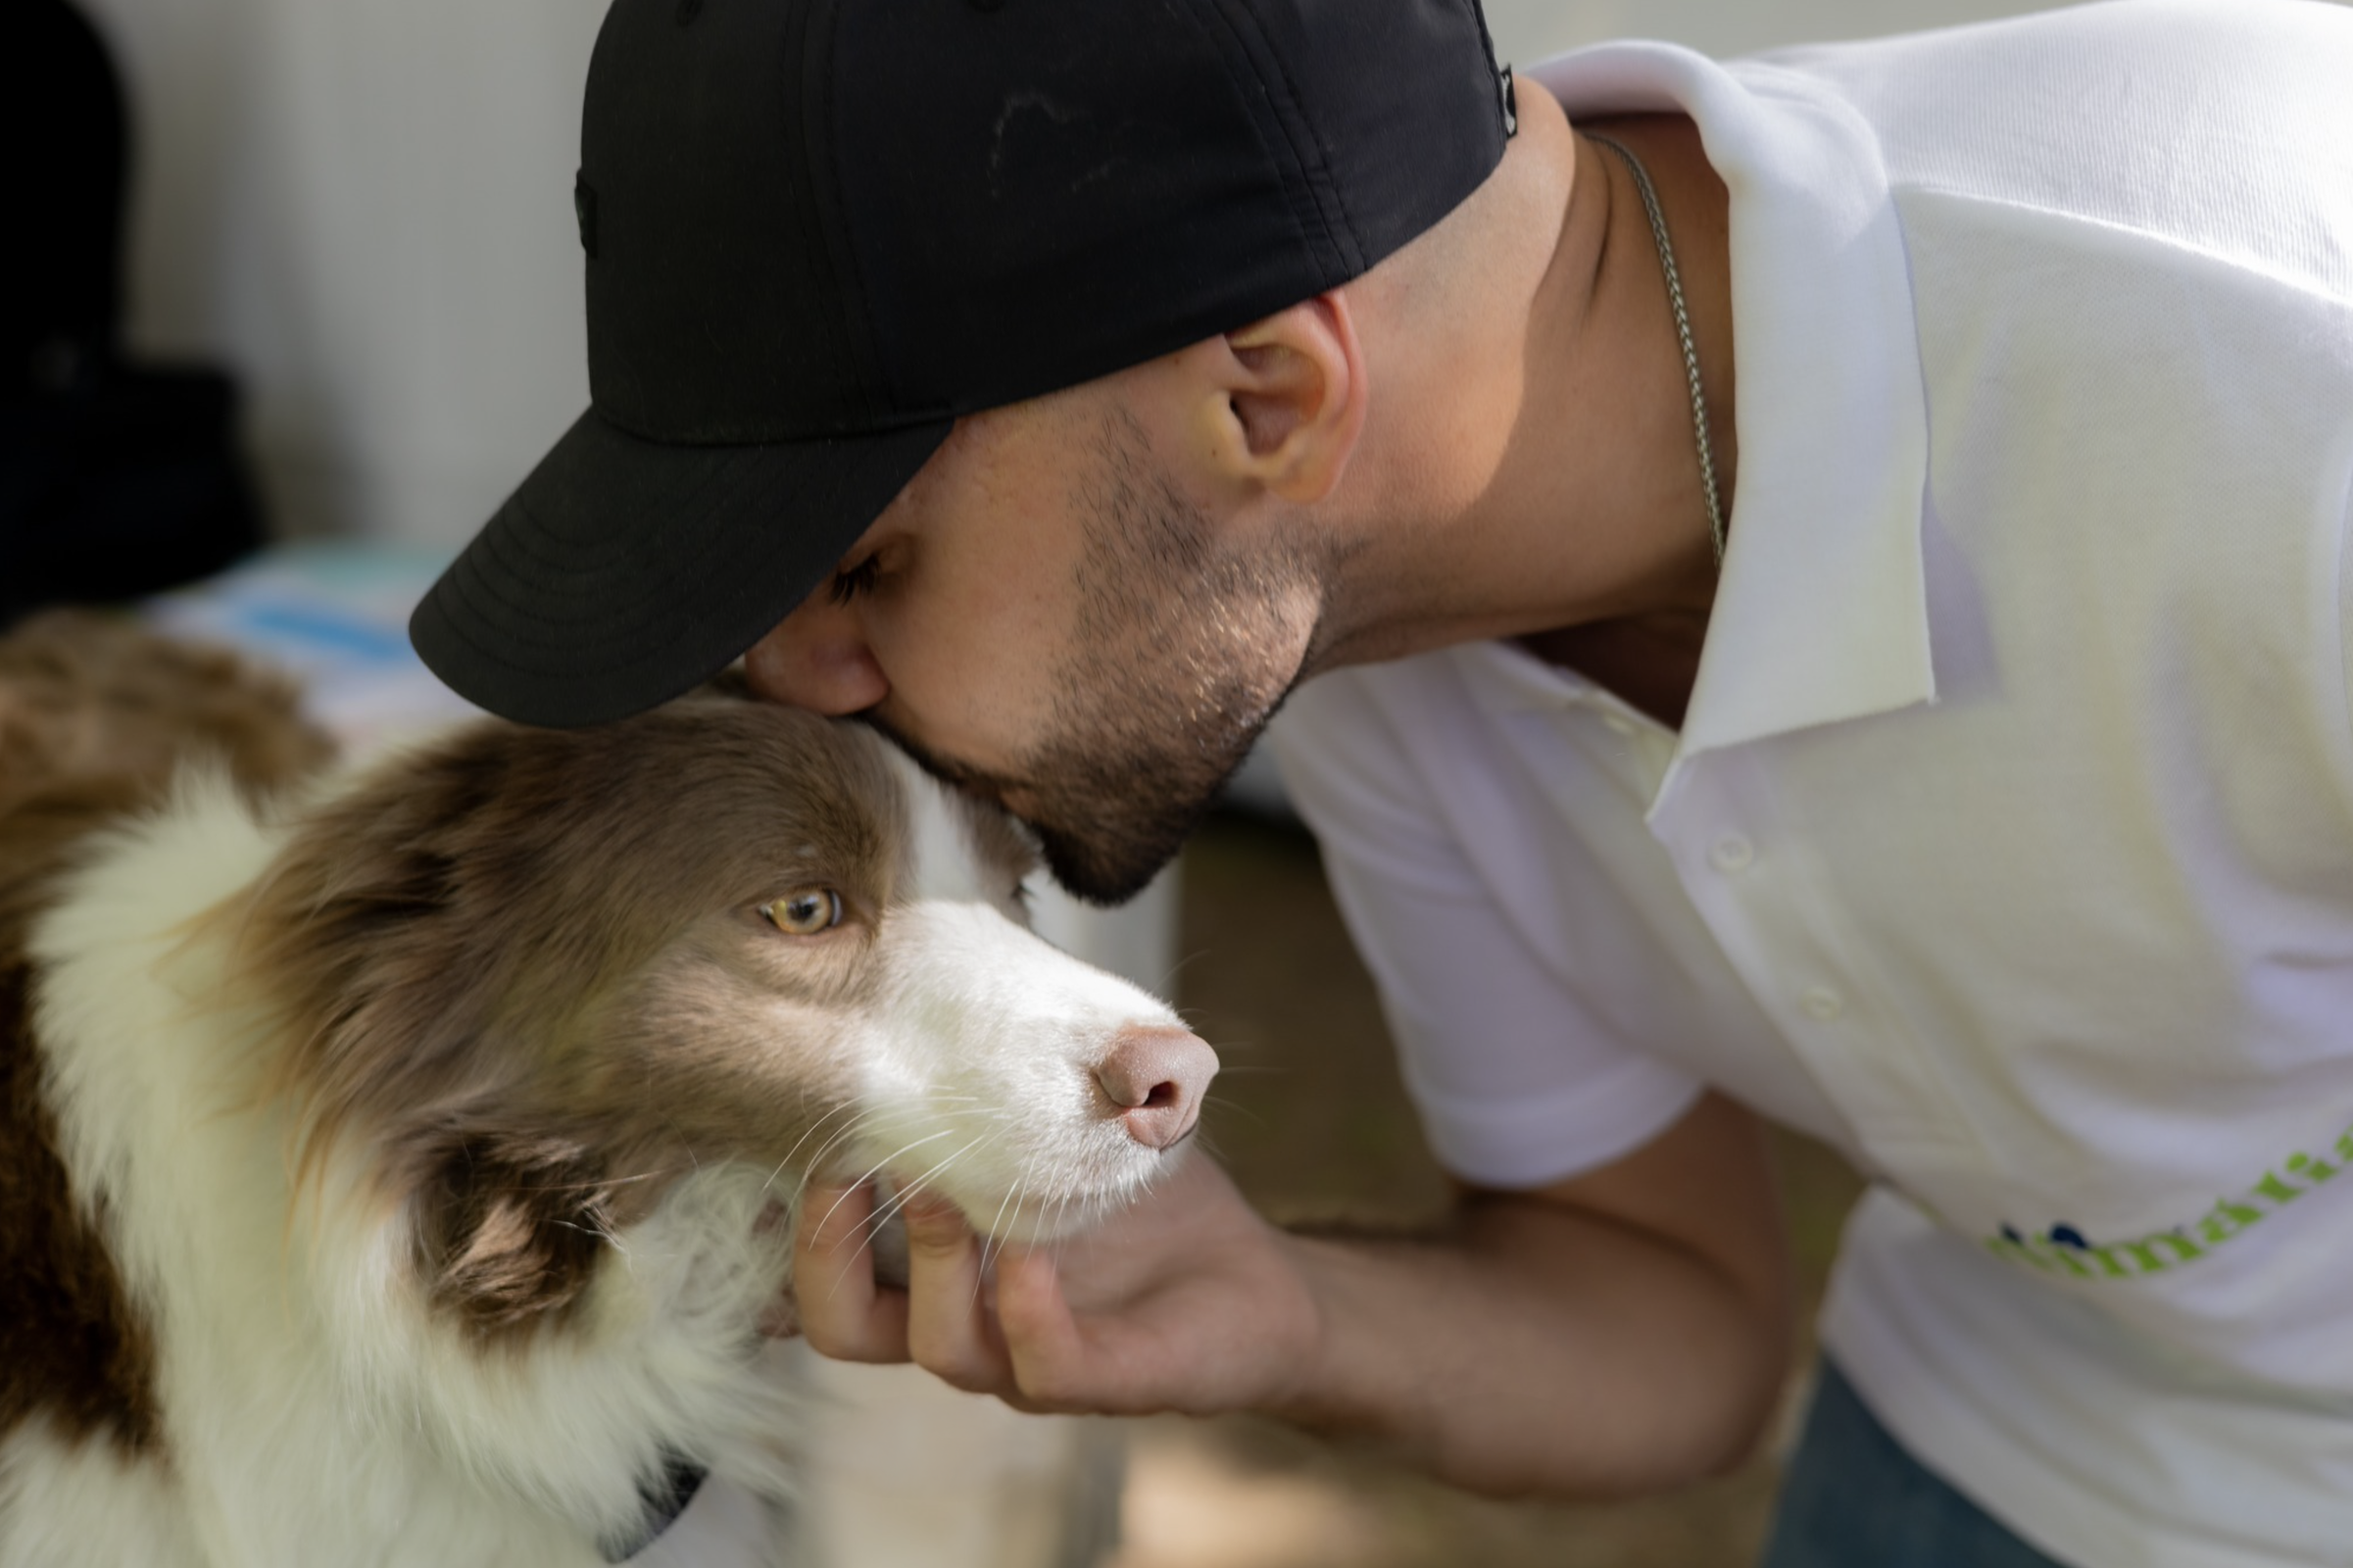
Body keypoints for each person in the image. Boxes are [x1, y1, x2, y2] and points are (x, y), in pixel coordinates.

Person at [409, 0, 2353, 1562]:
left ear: (1267, 397)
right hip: (2008, 1420)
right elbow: (1672, 1311)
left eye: (865, 569)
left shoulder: (2280, 383)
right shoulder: (1328, 604)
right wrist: (1289, 1311)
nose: (797, 685)